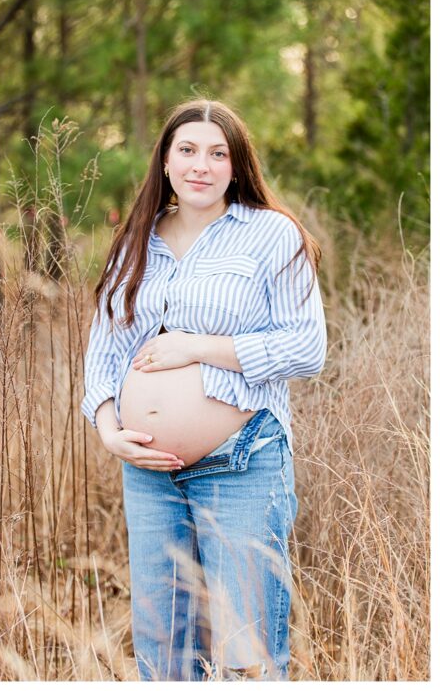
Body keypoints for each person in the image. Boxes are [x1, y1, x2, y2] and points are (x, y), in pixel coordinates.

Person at [81, 99, 326, 681]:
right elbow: (103, 353)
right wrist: (110, 430)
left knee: (249, 653)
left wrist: (198, 346)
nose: (201, 165)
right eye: (187, 150)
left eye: (218, 154)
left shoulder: (272, 235)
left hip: (241, 463)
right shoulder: (135, 239)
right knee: (163, 652)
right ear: (165, 161)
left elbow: (307, 348)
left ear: (236, 167)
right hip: (146, 471)